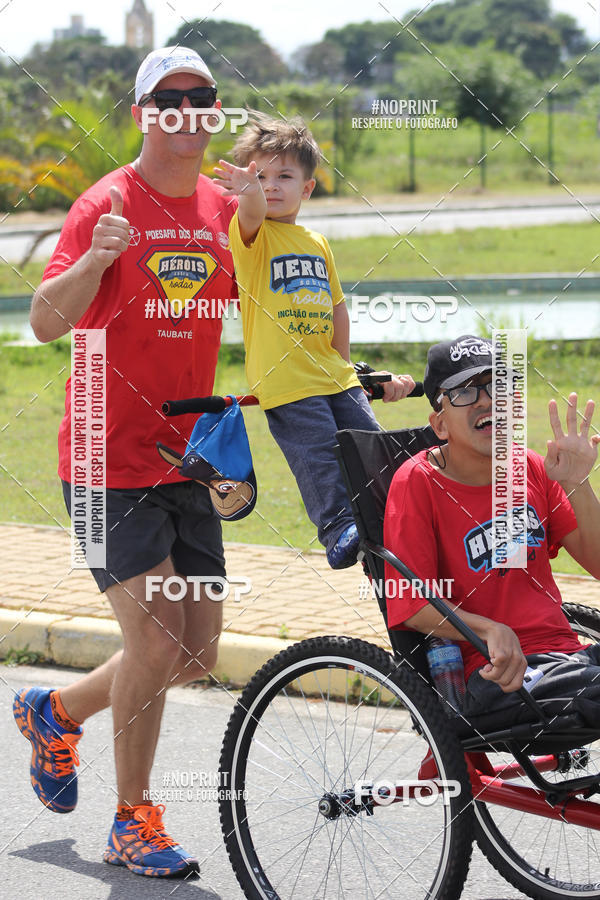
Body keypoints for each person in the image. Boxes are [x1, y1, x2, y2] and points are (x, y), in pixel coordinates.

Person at [13, 46, 238, 879]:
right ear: (143, 112)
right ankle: (133, 821)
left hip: (191, 456)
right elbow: (42, 323)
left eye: (201, 96)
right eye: (168, 98)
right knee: (151, 644)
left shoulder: (222, 204)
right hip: (108, 458)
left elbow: (280, 304)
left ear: (213, 110)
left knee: (195, 653)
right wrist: (97, 259)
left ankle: (53, 711)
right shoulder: (104, 201)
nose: (186, 109)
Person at [213, 112, 415, 569]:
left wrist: (346, 367)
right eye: (259, 176)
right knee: (319, 454)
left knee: (369, 444)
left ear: (307, 187)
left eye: (284, 176)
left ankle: (388, 516)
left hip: (334, 374)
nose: (269, 185)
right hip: (286, 380)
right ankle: (337, 525)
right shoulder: (254, 235)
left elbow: (337, 308)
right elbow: (249, 212)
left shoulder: (317, 241)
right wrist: (247, 196)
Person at [383, 334, 600, 723]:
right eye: (465, 392)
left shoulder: (531, 468)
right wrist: (487, 630)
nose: (486, 400)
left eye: (496, 386)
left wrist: (577, 484)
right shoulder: (417, 483)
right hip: (492, 677)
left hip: (566, 660)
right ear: (440, 423)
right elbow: (412, 604)